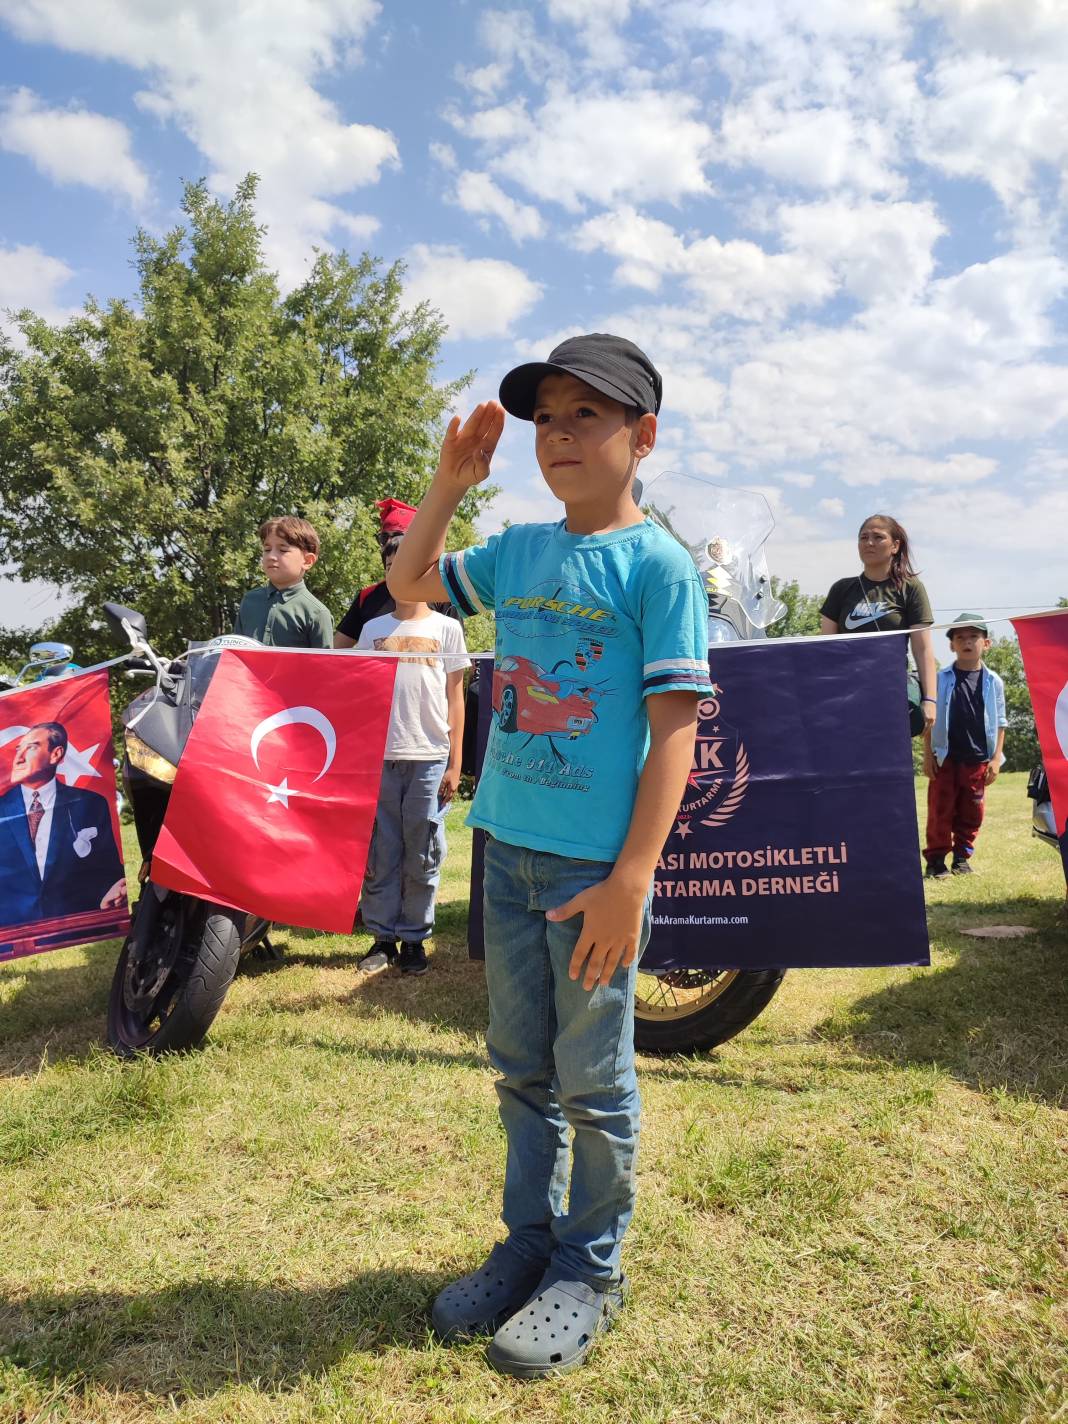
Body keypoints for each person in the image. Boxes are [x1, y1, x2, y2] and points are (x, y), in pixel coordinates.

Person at [389, 333, 712, 1378]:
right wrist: (449, 483)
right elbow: (409, 582)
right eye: (547, 416)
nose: (560, 433)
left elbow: (675, 733)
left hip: (591, 879)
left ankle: (590, 1266)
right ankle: (528, 1241)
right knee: (520, 1067)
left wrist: (631, 879)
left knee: (596, 1081)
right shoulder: (520, 549)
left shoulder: (659, 565)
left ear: (643, 435)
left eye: (588, 414)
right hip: (508, 855)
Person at [354, 589, 470, 976]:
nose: (401, 574)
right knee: (382, 850)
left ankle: (415, 939)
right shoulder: (372, 630)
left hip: (430, 756)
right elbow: (357, 691)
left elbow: (456, 697)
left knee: (423, 850)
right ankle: (383, 938)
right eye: (393, 565)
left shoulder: (448, 629)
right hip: (380, 758)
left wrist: (455, 763)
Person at [819, 513, 937, 735]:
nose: (869, 543)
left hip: (892, 692)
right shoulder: (841, 589)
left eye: (878, 537)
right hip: (848, 694)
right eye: (863, 537)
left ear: (895, 546)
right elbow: (826, 650)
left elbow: (923, 650)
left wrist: (930, 700)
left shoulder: (910, 588)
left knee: (891, 762)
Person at [0, 722, 125, 926]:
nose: (19, 758)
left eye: (30, 747)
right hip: (12, 934)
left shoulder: (91, 804)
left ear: (56, 754)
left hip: (77, 926)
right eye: (18, 748)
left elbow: (107, 869)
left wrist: (111, 892)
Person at [923, 614, 1006, 878]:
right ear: (951, 645)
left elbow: (1001, 722)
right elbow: (929, 719)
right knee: (940, 811)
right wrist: (927, 756)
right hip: (944, 758)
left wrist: (995, 759)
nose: (967, 642)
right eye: (960, 637)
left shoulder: (994, 682)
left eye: (974, 637)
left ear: (986, 643)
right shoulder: (940, 678)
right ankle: (936, 861)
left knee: (973, 811)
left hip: (978, 758)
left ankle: (961, 858)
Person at [334, 498, 459, 648]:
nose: (389, 542)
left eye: (398, 536)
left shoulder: (440, 594)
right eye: (384, 537)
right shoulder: (367, 597)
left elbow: (454, 657)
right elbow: (337, 651)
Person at [233, 516, 333, 647]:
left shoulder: (317, 613)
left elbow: (323, 665)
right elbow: (235, 656)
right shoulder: (249, 601)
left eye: (283, 550)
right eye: (267, 549)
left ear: (307, 561)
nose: (271, 556)